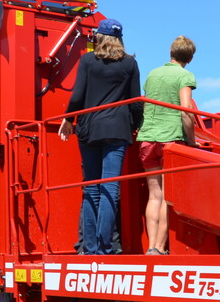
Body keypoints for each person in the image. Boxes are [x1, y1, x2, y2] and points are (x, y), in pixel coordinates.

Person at [59, 18, 142, 255]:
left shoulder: (87, 60)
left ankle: (90, 247)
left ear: (98, 37)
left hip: (89, 129)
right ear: (120, 39)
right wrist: (135, 126)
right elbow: (135, 101)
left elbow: (77, 96)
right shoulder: (130, 64)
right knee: (110, 188)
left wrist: (68, 118)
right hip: (117, 130)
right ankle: (105, 247)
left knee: (91, 189)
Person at [136, 36, 197, 255]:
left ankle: (151, 245)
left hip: (147, 138)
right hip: (170, 139)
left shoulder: (152, 74)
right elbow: (186, 110)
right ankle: (160, 247)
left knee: (154, 196)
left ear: (171, 53)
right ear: (189, 57)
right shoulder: (184, 75)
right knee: (168, 198)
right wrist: (192, 141)